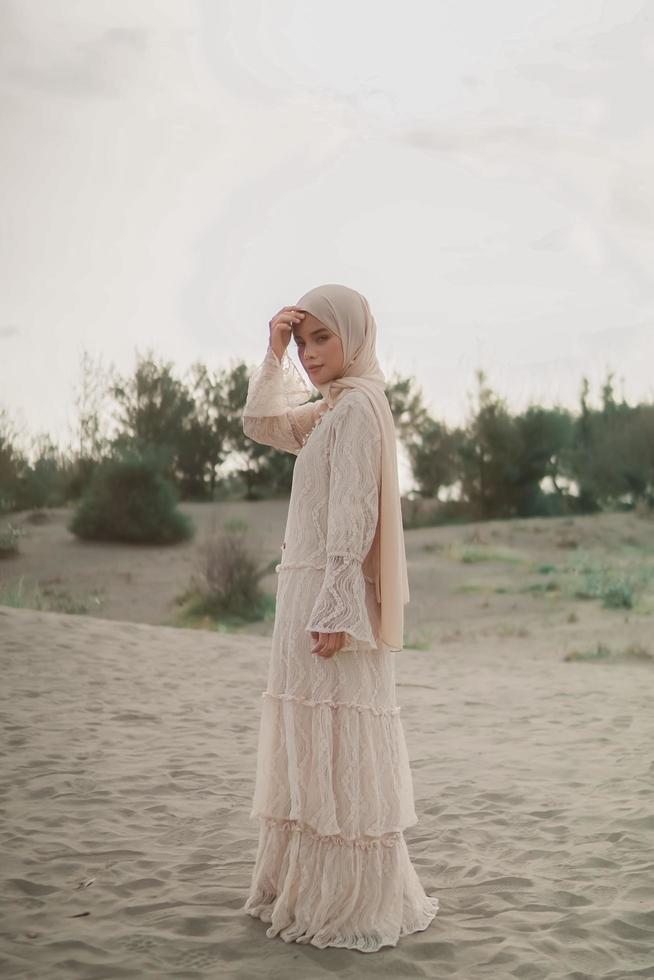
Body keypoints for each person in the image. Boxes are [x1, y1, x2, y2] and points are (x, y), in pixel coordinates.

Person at [240, 283, 439, 952]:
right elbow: (262, 425)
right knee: (309, 740)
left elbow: (356, 513)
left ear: (354, 337)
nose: (309, 352)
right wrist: (271, 354)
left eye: (321, 338)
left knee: (336, 745)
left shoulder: (356, 409)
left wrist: (337, 609)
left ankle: (346, 895)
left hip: (330, 603)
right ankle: (302, 883)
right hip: (307, 593)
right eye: (302, 341)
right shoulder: (327, 411)